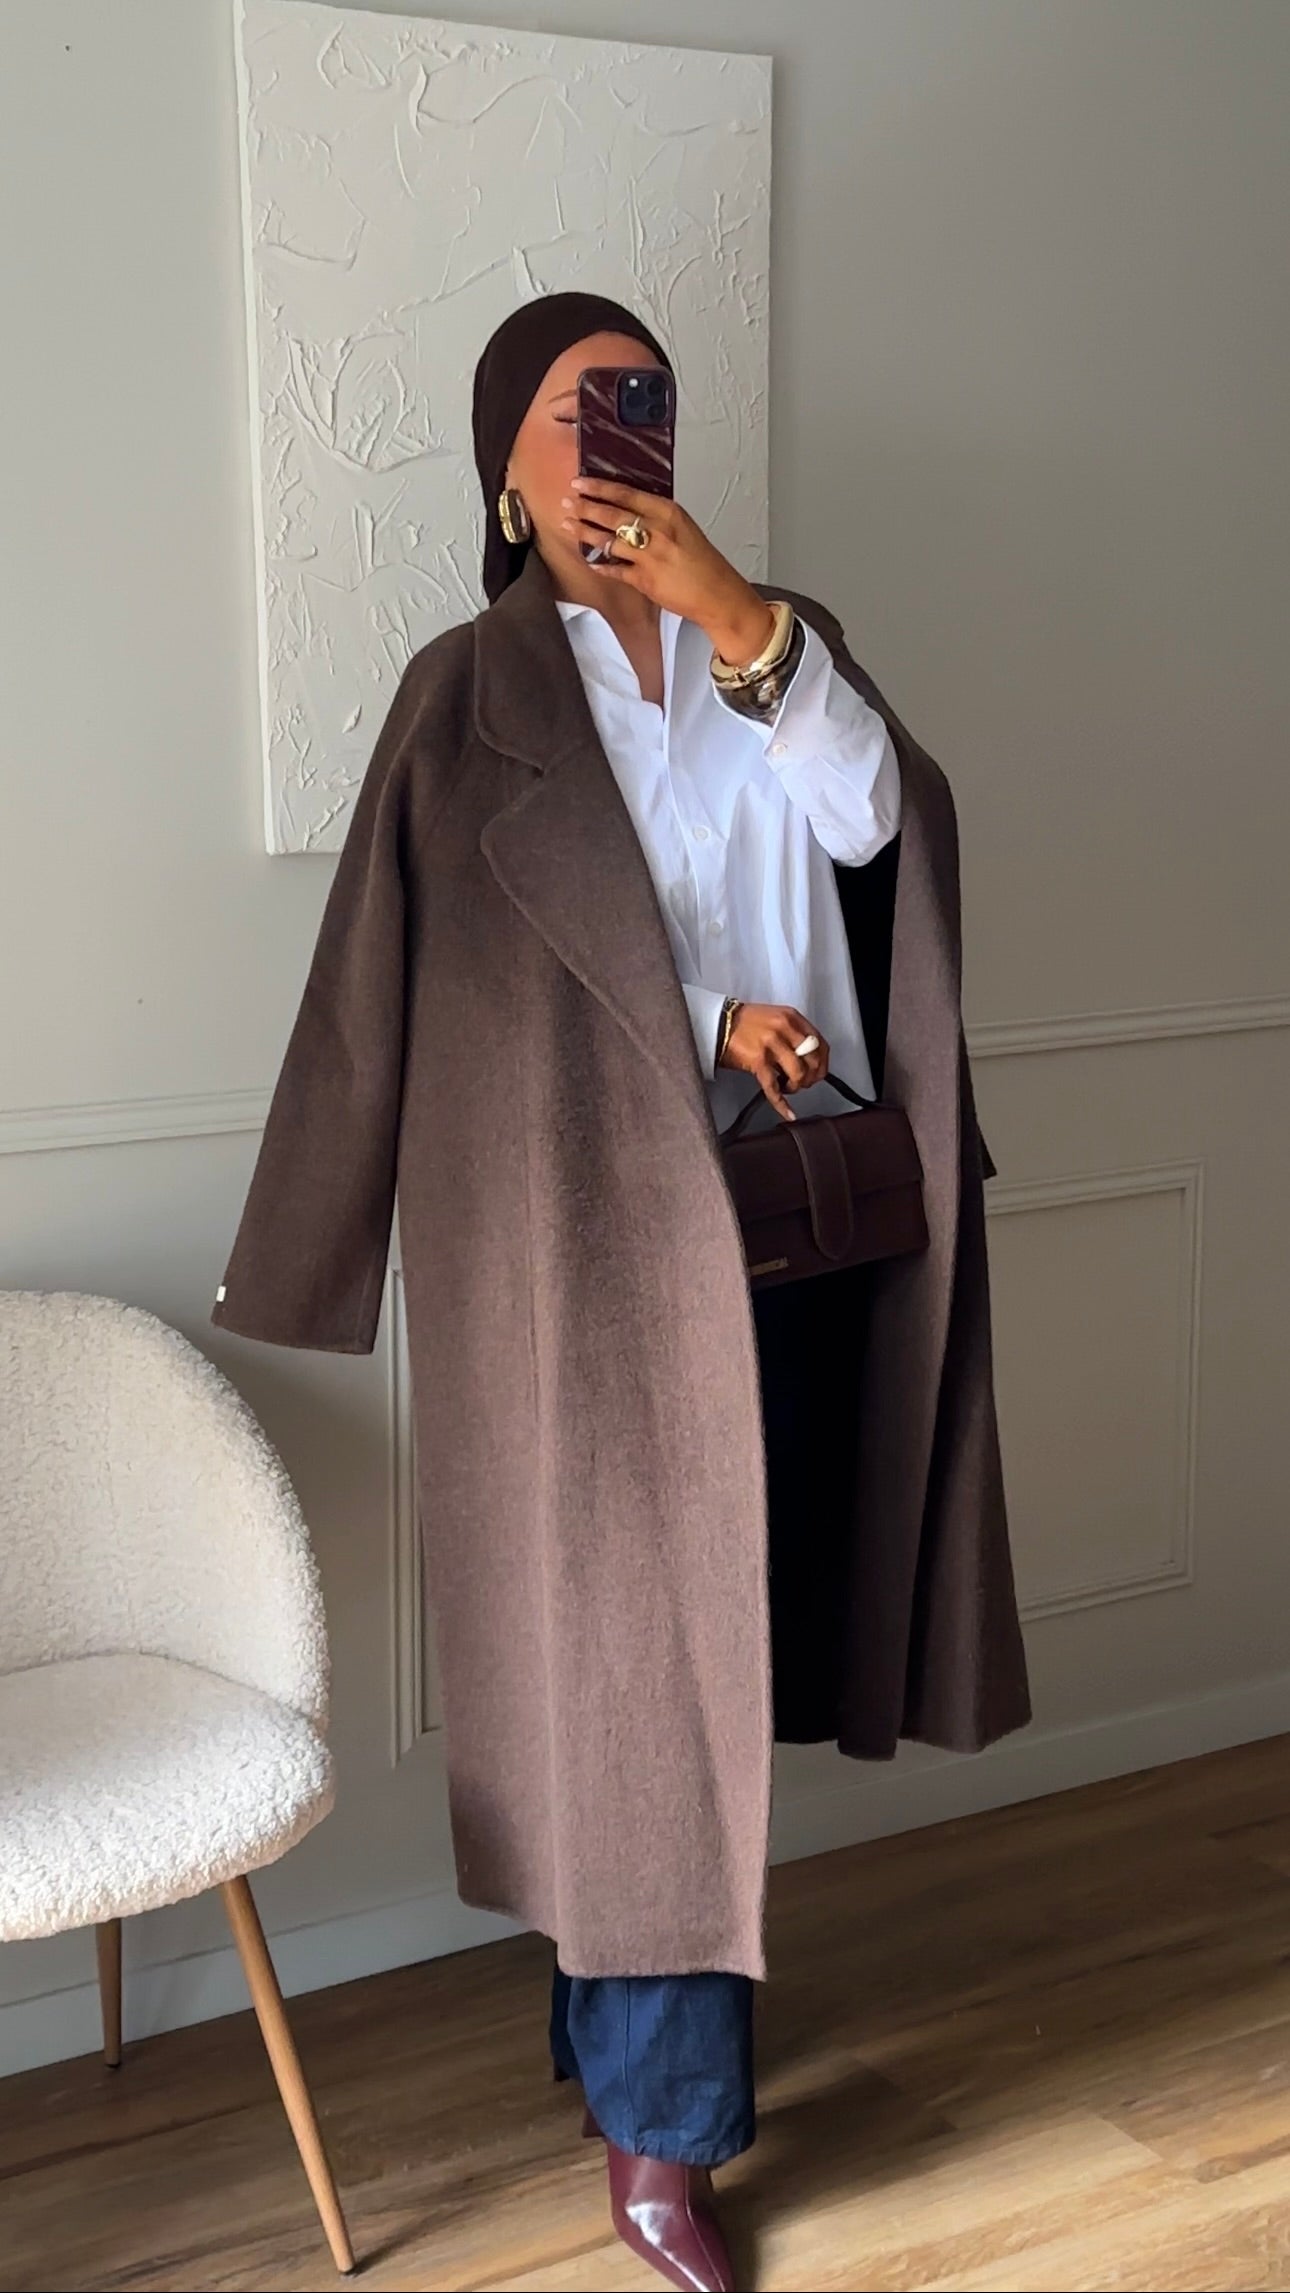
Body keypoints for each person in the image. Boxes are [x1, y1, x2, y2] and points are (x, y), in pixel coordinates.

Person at [211, 292, 1031, 2293]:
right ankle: (664, 2141)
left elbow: (883, 829)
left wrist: (735, 616)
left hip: (809, 1222)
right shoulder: (467, 692)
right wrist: (702, 1015)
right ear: (507, 465)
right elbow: (423, 984)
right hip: (589, 1259)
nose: (614, 434)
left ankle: (614, 2047)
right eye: (578, 408)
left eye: (642, 400)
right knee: (648, 1685)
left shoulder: (774, 641)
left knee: (700, 1665)